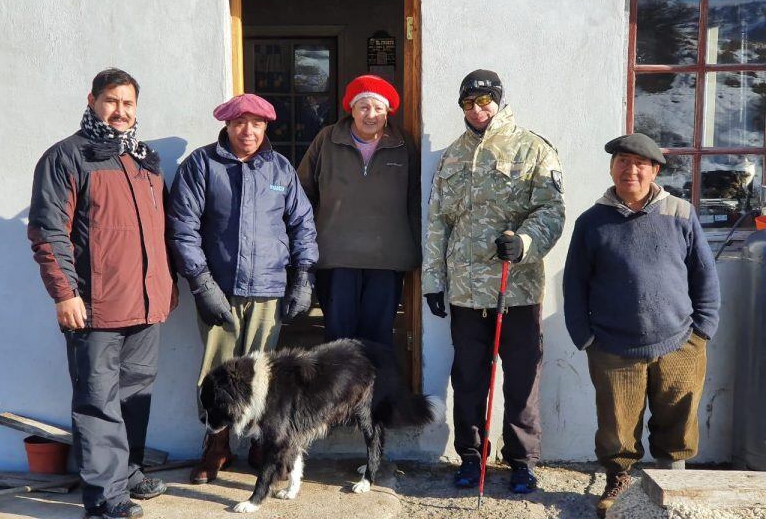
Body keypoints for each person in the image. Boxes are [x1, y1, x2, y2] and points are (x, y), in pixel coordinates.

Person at [28, 68, 176, 519]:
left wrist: (164, 291)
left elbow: (160, 233)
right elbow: (49, 233)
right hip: (94, 307)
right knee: (97, 401)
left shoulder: (143, 161)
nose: (120, 111)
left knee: (134, 394)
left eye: (128, 103)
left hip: (146, 304)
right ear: (91, 100)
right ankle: (104, 496)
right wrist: (65, 294)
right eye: (112, 101)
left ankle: (128, 472)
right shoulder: (67, 157)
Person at [562, 133, 720, 518]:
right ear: (612, 167)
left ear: (654, 171)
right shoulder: (592, 221)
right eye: (622, 162)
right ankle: (619, 483)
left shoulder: (680, 213)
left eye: (640, 164)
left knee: (678, 423)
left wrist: (703, 330)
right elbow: (574, 284)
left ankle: (675, 483)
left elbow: (704, 274)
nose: (630, 170)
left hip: (680, 341)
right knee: (617, 428)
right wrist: (585, 337)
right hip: (613, 346)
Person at [423, 69, 565, 493]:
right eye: (469, 104)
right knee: (468, 378)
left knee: (521, 378)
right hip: (467, 291)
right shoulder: (451, 156)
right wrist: (434, 280)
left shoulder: (532, 149)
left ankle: (521, 460)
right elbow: (438, 223)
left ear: (499, 101)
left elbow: (551, 211)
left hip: (516, 288)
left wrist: (523, 242)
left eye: (485, 102)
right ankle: (470, 456)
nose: (478, 110)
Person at [167, 93, 318, 485]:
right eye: (239, 123)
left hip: (269, 289)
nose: (247, 131)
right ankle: (216, 447)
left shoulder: (280, 169)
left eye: (256, 123)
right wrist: (202, 284)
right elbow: (183, 228)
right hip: (219, 286)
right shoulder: (201, 165)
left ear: (266, 127)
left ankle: (261, 444)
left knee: (263, 375)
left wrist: (303, 276)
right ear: (227, 125)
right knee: (216, 373)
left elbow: (302, 223)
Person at [297, 75, 420, 347]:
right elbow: (302, 193)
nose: (371, 114)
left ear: (388, 112)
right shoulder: (327, 139)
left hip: (387, 258)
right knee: (338, 343)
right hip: (336, 257)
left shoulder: (403, 143)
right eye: (363, 107)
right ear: (351, 109)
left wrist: (416, 249)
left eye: (378, 108)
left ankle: (376, 391)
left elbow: (415, 199)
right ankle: (341, 393)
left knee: (378, 341)